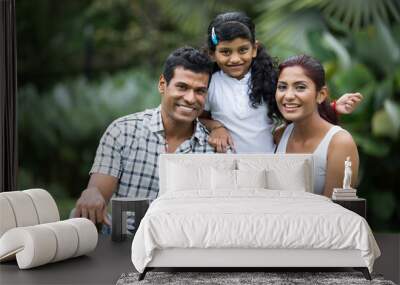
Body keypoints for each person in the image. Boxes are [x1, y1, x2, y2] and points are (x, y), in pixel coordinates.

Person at [73, 47, 216, 230]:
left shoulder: (215, 149)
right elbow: (97, 192)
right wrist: (91, 194)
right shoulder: (123, 132)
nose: (190, 98)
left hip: (184, 246)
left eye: (200, 91)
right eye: (182, 87)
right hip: (123, 244)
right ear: (162, 85)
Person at [200, 11, 363, 153]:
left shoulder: (269, 79)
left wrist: (333, 107)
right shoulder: (209, 83)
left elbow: (297, 108)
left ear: (254, 49)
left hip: (272, 162)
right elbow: (196, 117)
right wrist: (216, 127)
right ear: (212, 54)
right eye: (225, 52)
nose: (235, 59)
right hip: (227, 166)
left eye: (243, 50)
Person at [274, 54, 359, 197]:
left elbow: (337, 212)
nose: (288, 95)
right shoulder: (279, 135)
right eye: (282, 87)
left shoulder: (340, 143)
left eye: (300, 87)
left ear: (321, 94)